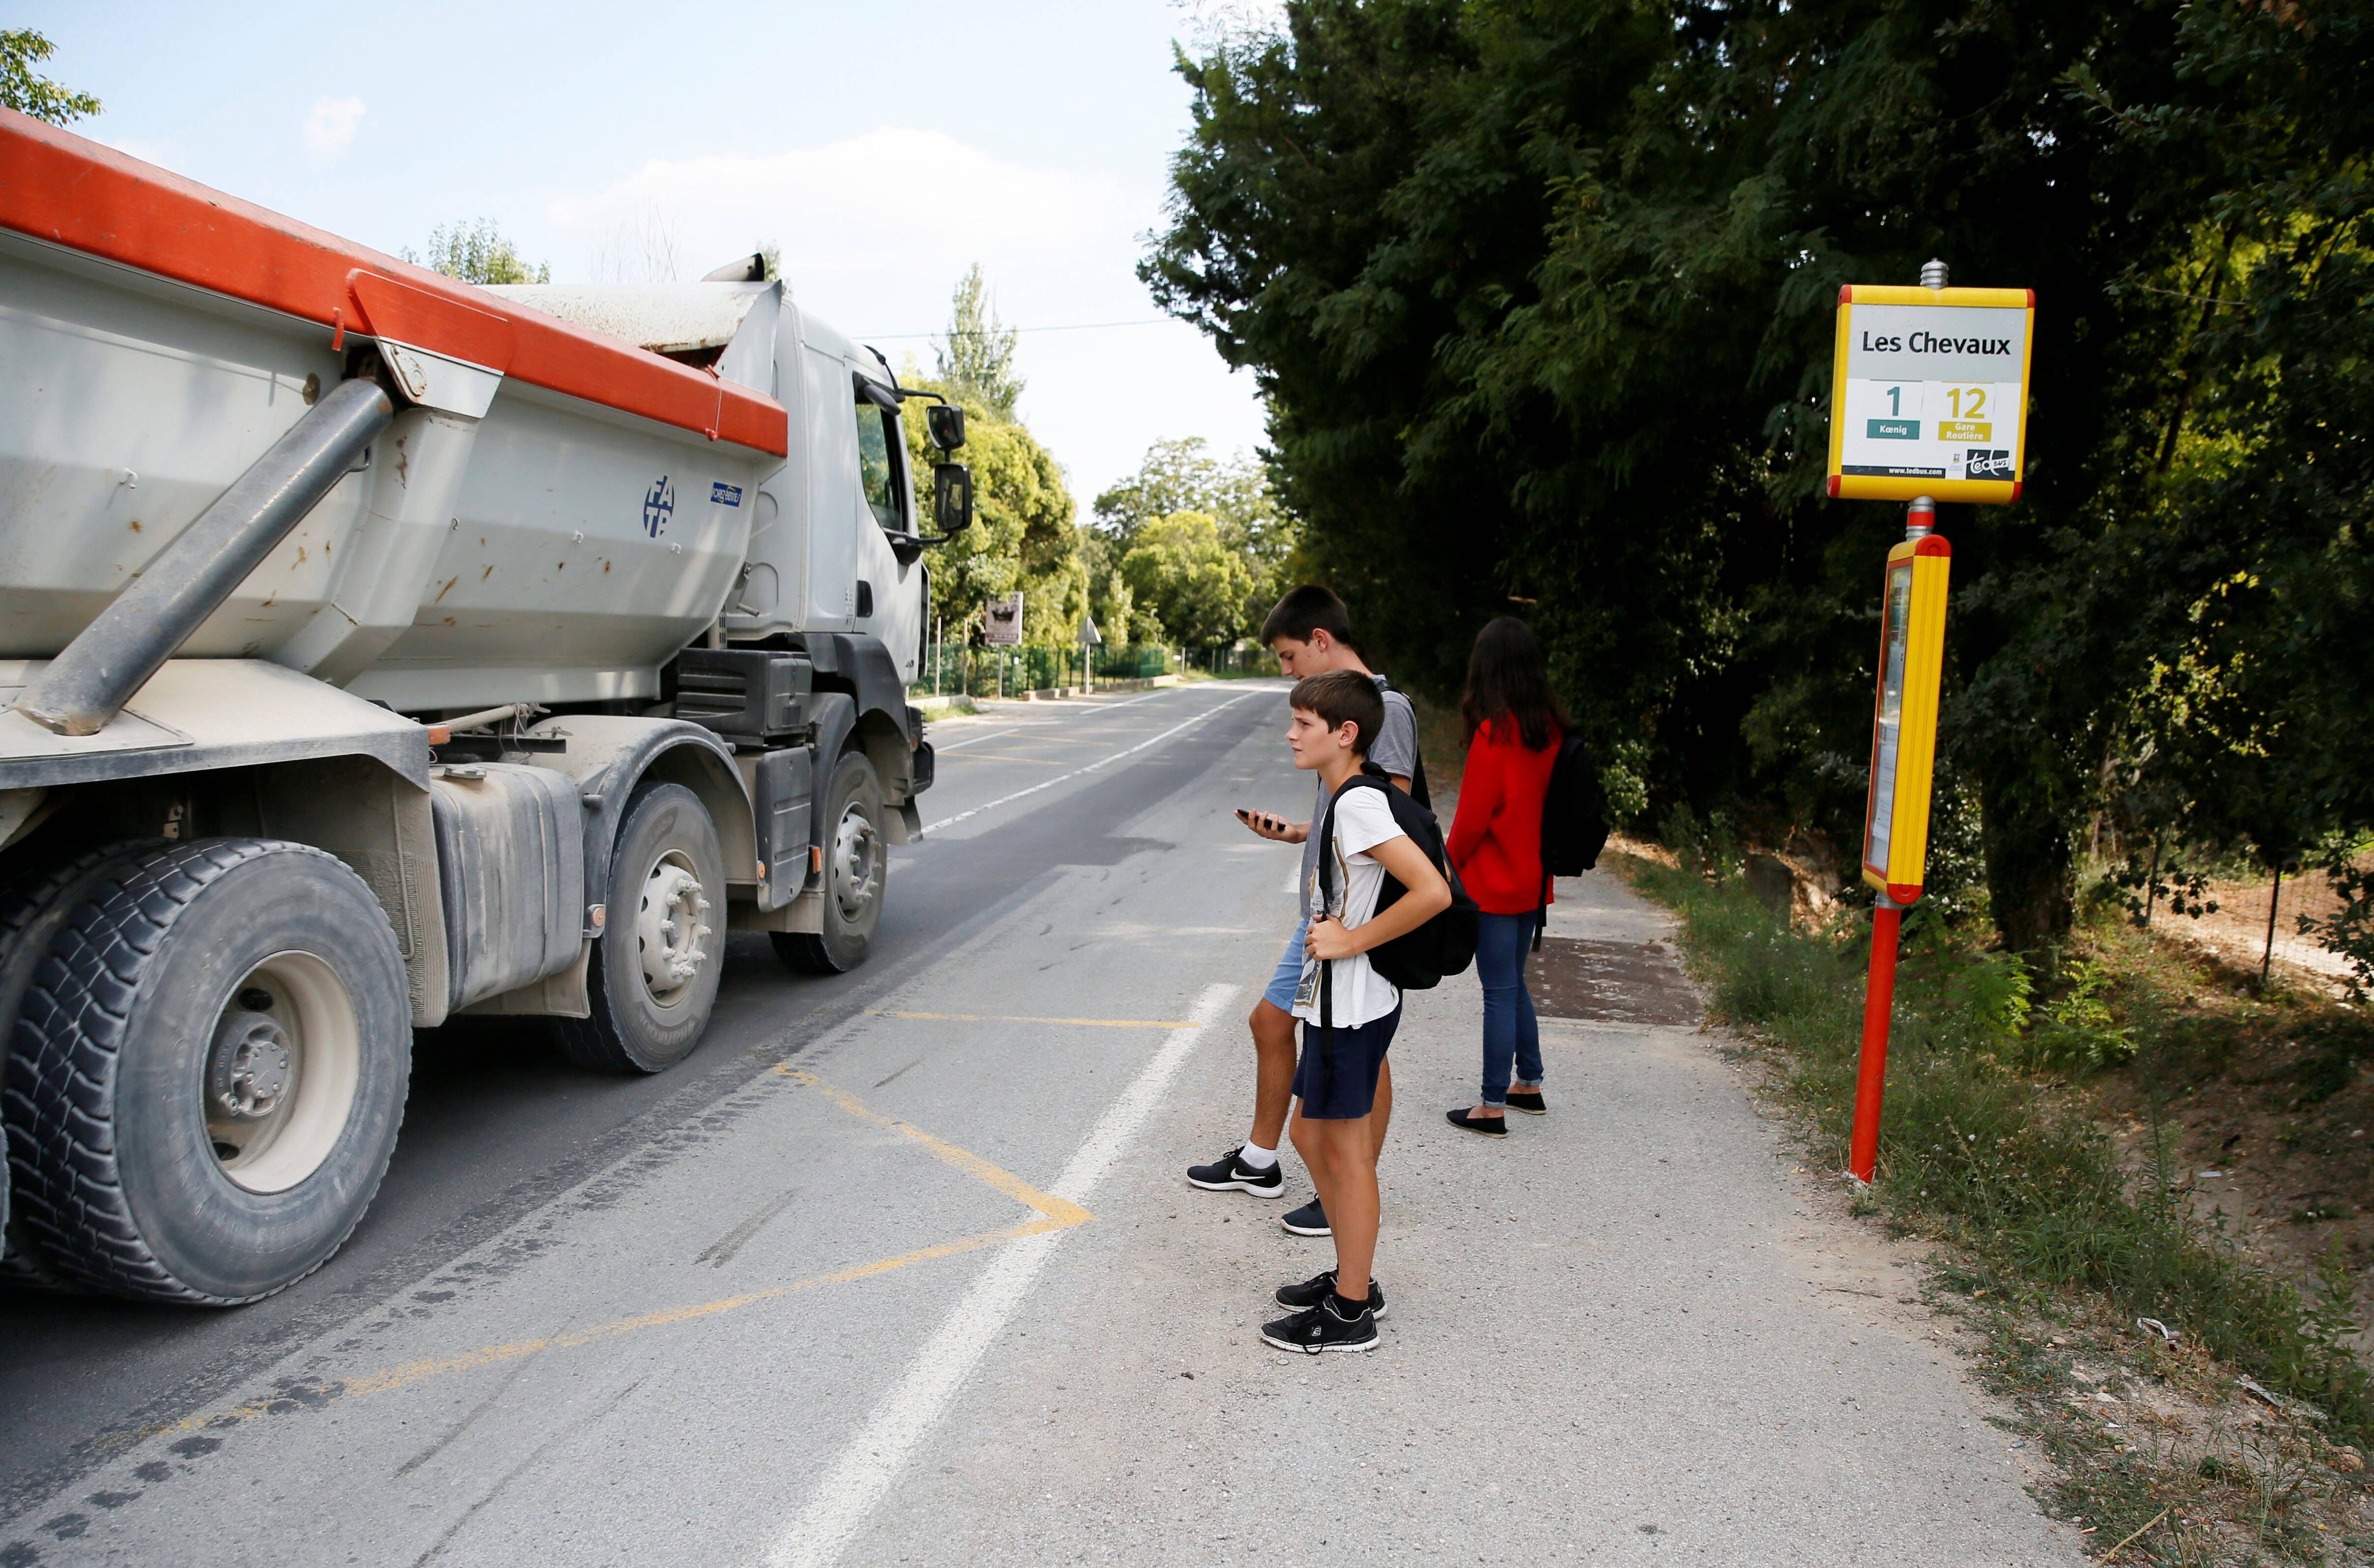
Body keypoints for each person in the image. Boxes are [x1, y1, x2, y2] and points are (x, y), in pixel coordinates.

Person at [1187, 586, 1419, 1238]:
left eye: (1290, 656)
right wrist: (1300, 833)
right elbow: (1350, 812)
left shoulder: (1383, 710)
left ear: (1321, 639)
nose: (1286, 671)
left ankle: (1343, 1183)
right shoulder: (1336, 713)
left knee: (1362, 1052)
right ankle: (1268, 1161)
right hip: (1324, 911)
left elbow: (1386, 818)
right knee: (1272, 1023)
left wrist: (1350, 927)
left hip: (1349, 918)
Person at [1261, 670, 1450, 1352]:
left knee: (1344, 1151)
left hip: (1355, 1003)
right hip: (1337, 1002)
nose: (1291, 733)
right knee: (1312, 1138)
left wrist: (1348, 939)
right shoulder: (1347, 799)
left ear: (1345, 735)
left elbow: (1431, 892)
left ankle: (1350, 1309)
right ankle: (1352, 1273)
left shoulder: (1360, 805)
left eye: (1304, 723)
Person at [1442, 617, 1567, 1137]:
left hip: (1493, 885)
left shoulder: (1496, 734)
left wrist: (1442, 869)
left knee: (1497, 990)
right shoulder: (1551, 731)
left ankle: (1491, 1105)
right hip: (1533, 882)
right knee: (1513, 983)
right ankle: (1528, 1084)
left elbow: (1472, 820)